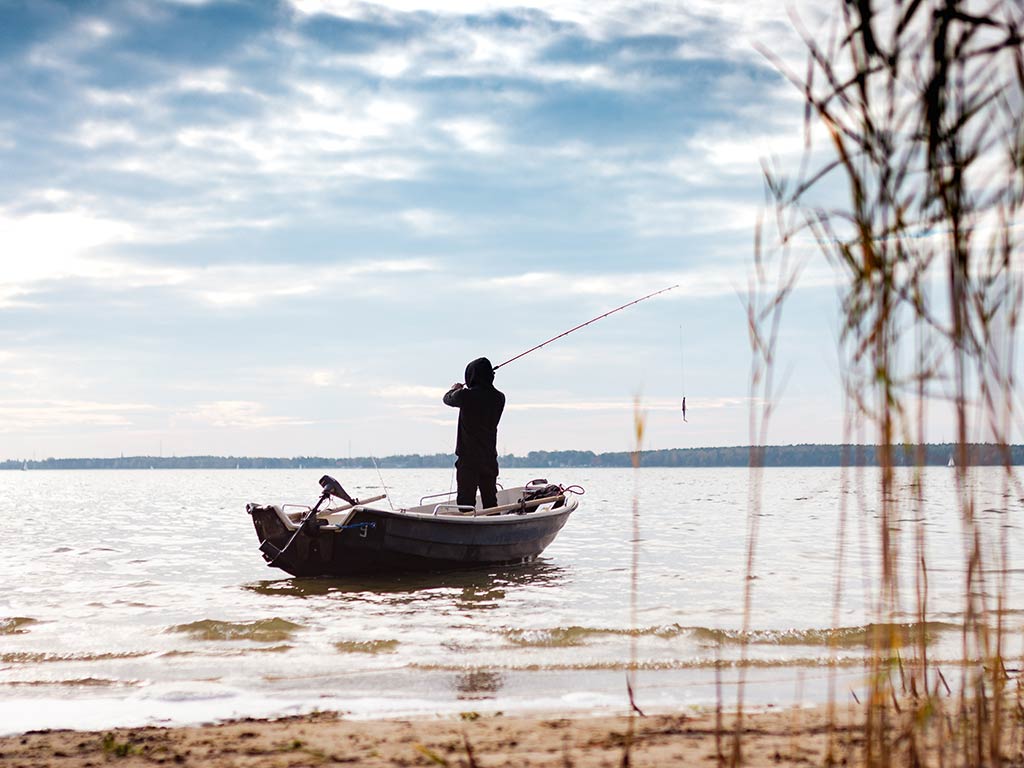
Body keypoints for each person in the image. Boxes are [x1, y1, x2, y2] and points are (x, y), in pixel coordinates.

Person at [443, 357, 505, 511]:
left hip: (469, 459)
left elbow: (447, 399)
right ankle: (493, 527)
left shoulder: (465, 396)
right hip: (489, 457)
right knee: (491, 502)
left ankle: (467, 531)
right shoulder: (499, 397)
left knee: (465, 503)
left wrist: (455, 389)